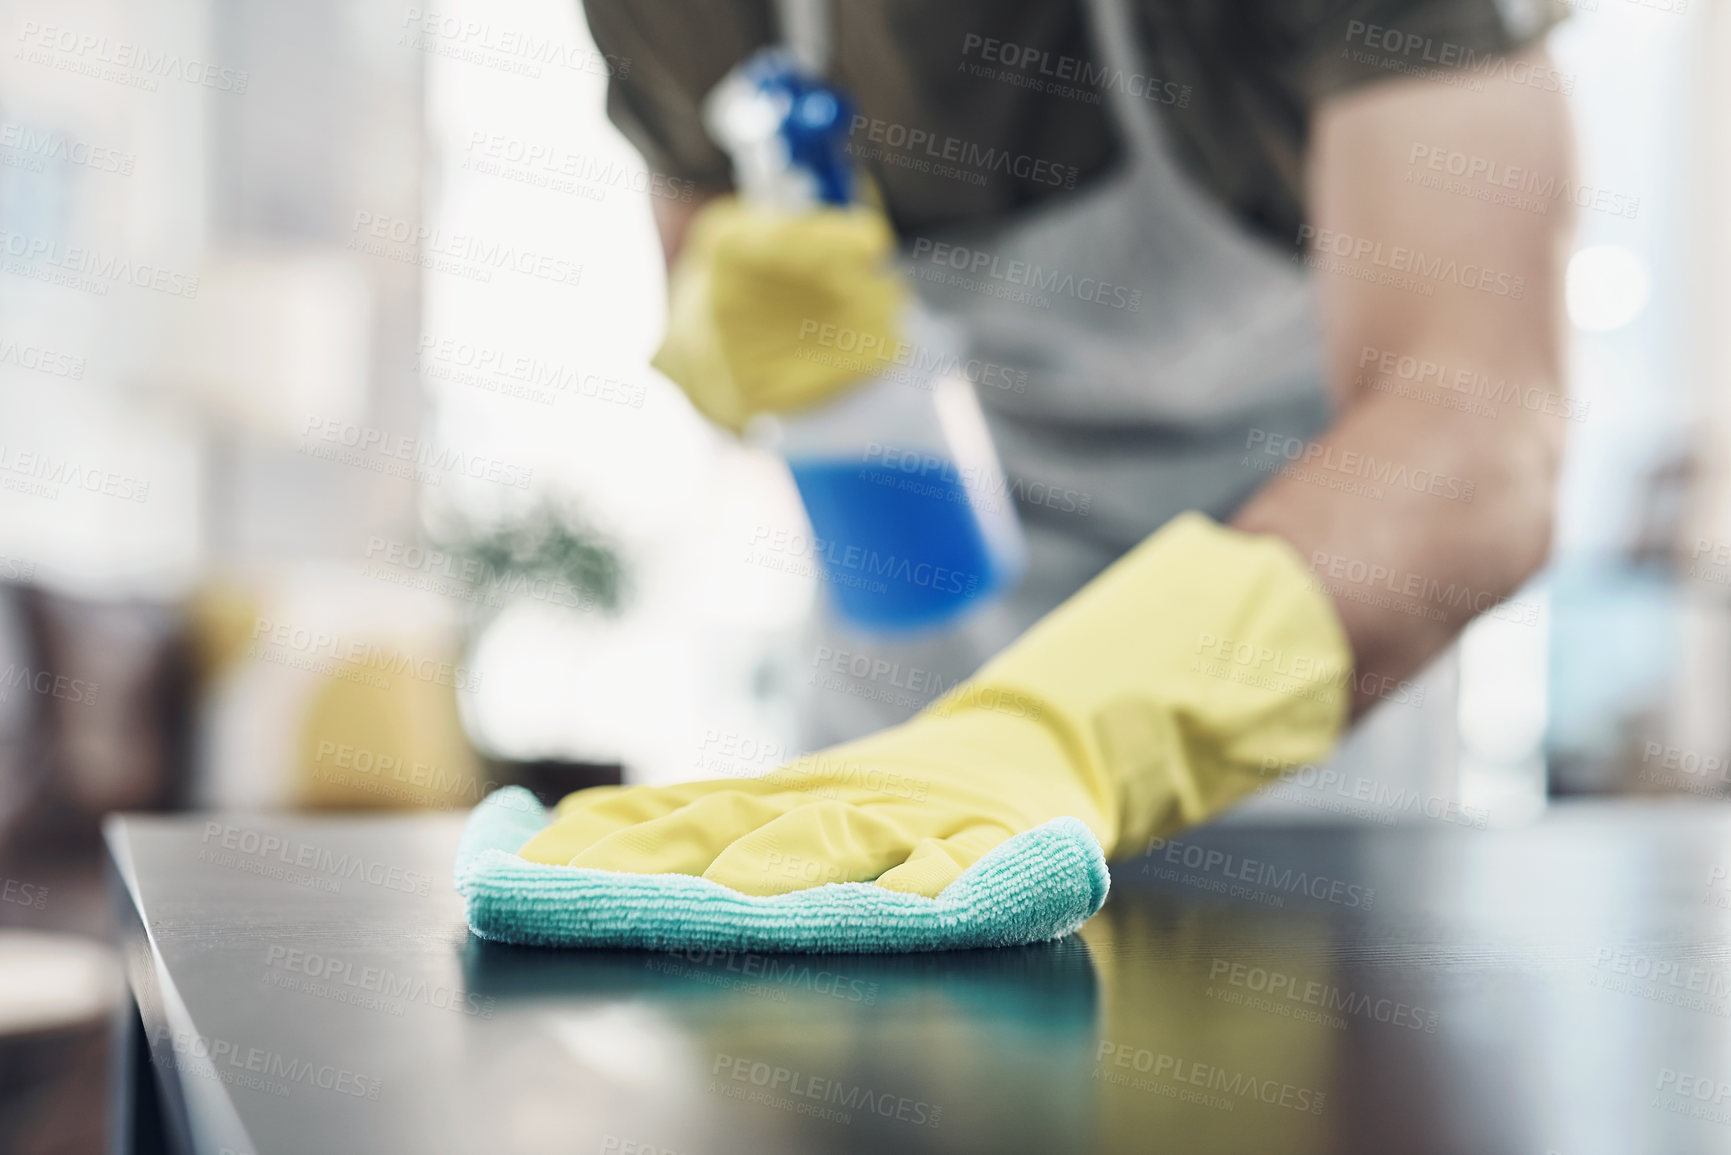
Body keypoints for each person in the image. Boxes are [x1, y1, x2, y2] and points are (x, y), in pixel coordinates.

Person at [516, 0, 1574, 896]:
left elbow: (1477, 426)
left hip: (1305, 659)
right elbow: (719, 325)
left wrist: (1065, 732)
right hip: (906, 677)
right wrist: (767, 344)